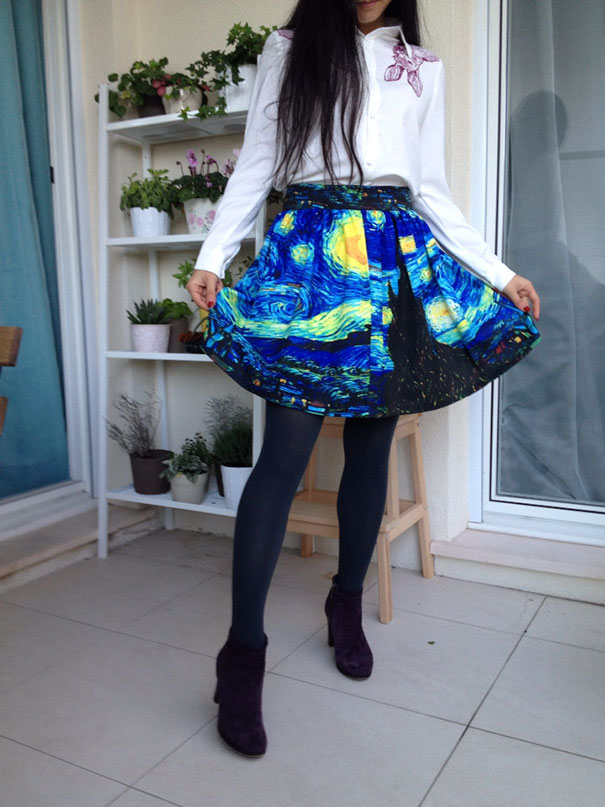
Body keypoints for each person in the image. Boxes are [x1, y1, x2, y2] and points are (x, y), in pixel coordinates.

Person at [187, 0, 541, 758]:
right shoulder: (290, 50)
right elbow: (258, 162)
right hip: (310, 257)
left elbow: (431, 189)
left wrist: (499, 273)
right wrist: (214, 256)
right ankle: (241, 654)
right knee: (284, 454)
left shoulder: (422, 67)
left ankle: (344, 603)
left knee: (371, 447)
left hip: (391, 258)